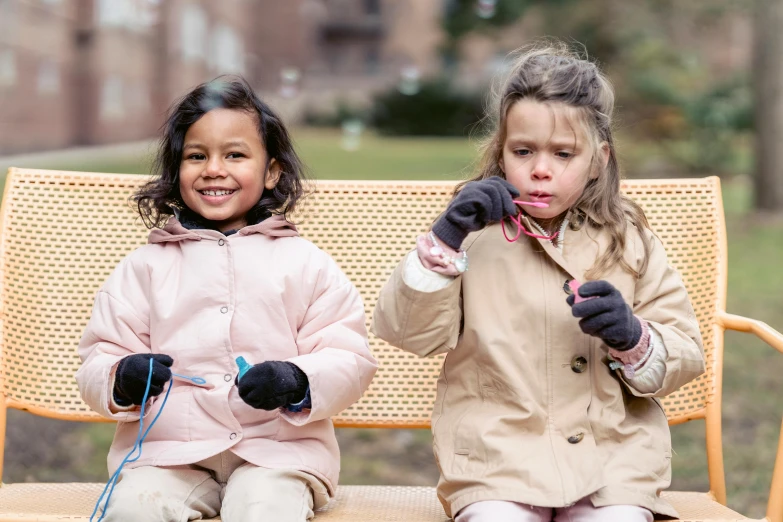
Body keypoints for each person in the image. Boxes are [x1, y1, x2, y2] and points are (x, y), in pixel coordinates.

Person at [372, 42, 705, 522]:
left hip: (612, 460)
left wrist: (632, 337)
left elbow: (685, 354)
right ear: (501, 151)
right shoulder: (471, 234)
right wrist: (446, 238)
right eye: (523, 150)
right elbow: (407, 332)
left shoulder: (630, 240)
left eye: (563, 153)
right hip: (497, 459)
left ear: (599, 159)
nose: (540, 169)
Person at [76, 76, 377, 522]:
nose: (214, 168)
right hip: (170, 455)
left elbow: (348, 357)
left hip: (275, 455)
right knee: (134, 509)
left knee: (264, 509)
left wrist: (295, 379)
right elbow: (100, 355)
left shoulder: (305, 263)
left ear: (272, 170)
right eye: (196, 156)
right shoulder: (145, 267)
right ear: (176, 170)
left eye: (235, 155)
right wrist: (121, 377)